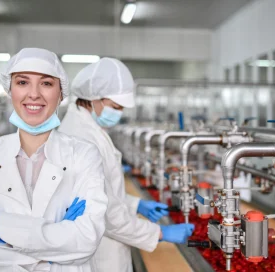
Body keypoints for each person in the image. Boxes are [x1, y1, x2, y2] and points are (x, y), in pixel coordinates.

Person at [0, 48, 108, 272]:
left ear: (61, 93)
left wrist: (2, 229)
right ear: (10, 90)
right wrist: (51, 250)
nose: (33, 94)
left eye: (46, 83)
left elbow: (87, 239)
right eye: (23, 82)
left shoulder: (83, 155)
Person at [59, 58, 195, 272]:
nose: (119, 113)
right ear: (94, 99)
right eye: (115, 107)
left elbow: (101, 193)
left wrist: (135, 204)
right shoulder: (81, 137)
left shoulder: (87, 127)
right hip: (99, 254)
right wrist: (159, 233)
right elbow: (107, 214)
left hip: (106, 245)